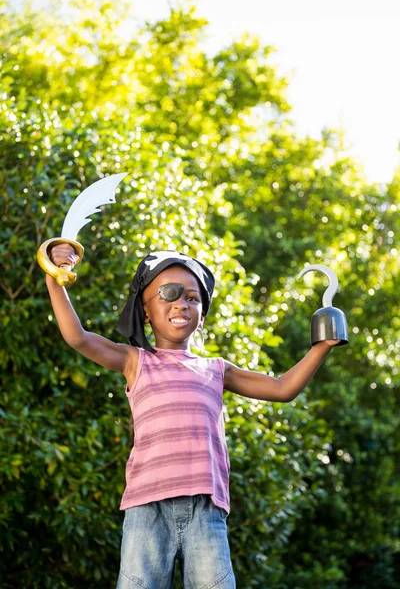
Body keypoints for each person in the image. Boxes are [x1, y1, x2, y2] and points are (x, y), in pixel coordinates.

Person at [45, 246, 341, 588]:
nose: (181, 304)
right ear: (145, 309)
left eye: (192, 297)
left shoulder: (216, 369)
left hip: (206, 509)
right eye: (169, 294)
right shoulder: (136, 362)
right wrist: (56, 278)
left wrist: (322, 346)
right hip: (147, 508)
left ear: (202, 312)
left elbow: (282, 388)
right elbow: (77, 337)